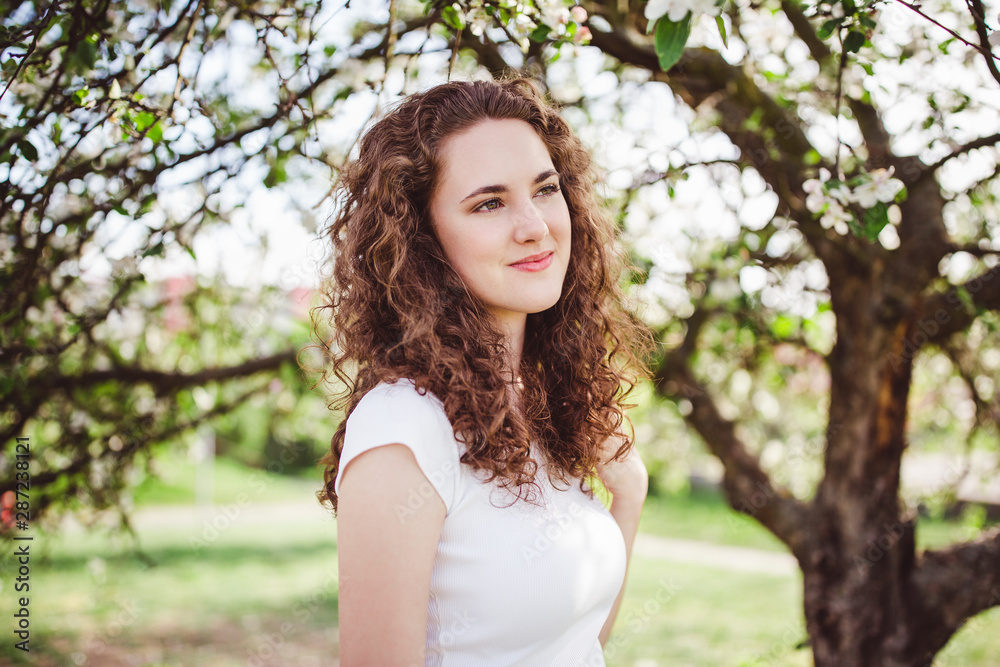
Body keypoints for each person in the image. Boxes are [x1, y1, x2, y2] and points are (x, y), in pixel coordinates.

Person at [315, 76, 653, 667]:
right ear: (423, 241)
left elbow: (575, 644)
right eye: (489, 203)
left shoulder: (545, 402)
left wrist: (628, 494)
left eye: (545, 190)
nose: (535, 226)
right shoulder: (404, 430)